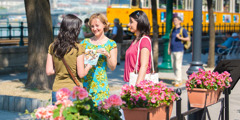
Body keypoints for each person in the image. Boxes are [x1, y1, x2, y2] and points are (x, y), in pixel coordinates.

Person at [46, 14, 92, 104]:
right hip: (74, 91)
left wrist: (60, 68)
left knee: (59, 117)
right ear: (75, 30)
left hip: (57, 90)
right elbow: (81, 73)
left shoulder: (52, 46)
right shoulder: (78, 48)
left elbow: (49, 71)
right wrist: (89, 66)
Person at [80, 13, 117, 105]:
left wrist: (107, 55)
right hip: (85, 83)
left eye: (97, 25)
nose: (94, 28)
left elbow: (112, 67)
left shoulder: (111, 44)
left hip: (101, 84)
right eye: (92, 26)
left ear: (104, 25)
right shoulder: (85, 42)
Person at [124, 10, 152, 85]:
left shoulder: (144, 40)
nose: (128, 24)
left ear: (140, 22)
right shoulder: (135, 40)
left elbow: (144, 65)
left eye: (131, 22)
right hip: (130, 81)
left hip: (137, 82)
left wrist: (137, 86)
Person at [168, 16, 190, 87]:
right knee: (174, 66)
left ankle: (178, 80)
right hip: (173, 50)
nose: (175, 22)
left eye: (176, 20)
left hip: (179, 50)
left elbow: (188, 38)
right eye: (174, 20)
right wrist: (169, 48)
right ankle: (177, 79)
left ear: (180, 21)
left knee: (178, 65)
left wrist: (180, 38)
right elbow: (170, 40)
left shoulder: (182, 30)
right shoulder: (173, 30)